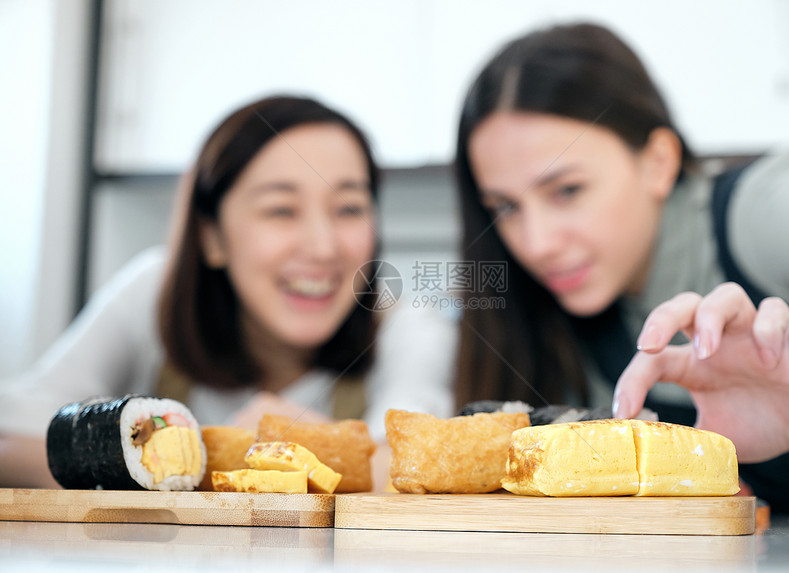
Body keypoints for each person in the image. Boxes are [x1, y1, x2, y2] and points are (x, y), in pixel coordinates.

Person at [453, 23, 789, 512]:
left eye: (567, 191)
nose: (536, 244)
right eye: (506, 208)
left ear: (659, 162)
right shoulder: (549, 322)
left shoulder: (772, 210)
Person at [0, 95, 456, 488]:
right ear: (212, 236)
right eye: (281, 209)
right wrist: (173, 458)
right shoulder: (152, 292)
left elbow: (412, 466)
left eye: (350, 207)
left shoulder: (408, 324)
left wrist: (313, 449)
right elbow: (10, 438)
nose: (323, 246)